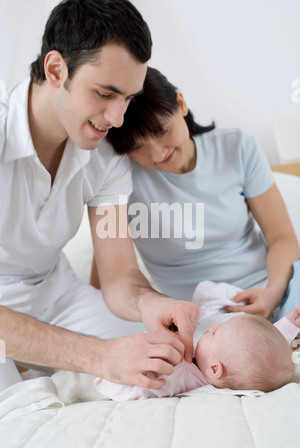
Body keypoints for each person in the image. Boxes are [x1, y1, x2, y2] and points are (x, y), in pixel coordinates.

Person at [0, 1, 200, 394]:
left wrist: (149, 304)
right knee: (17, 412)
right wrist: (99, 356)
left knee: (170, 369)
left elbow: (119, 274)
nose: (117, 117)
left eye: (127, 98)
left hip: (54, 294)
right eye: (105, 93)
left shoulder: (106, 157)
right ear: (56, 70)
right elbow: (101, 355)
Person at [102, 67, 300, 319]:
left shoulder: (237, 147)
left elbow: (282, 236)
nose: (157, 154)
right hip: (201, 312)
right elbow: (111, 270)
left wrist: (272, 294)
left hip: (274, 286)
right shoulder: (120, 180)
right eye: (138, 147)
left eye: (162, 131)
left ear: (181, 104)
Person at [95, 282, 299, 401]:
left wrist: (107, 372)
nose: (212, 328)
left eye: (213, 334)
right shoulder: (237, 360)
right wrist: (289, 326)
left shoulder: (181, 373)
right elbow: (264, 350)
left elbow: (137, 387)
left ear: (215, 369)